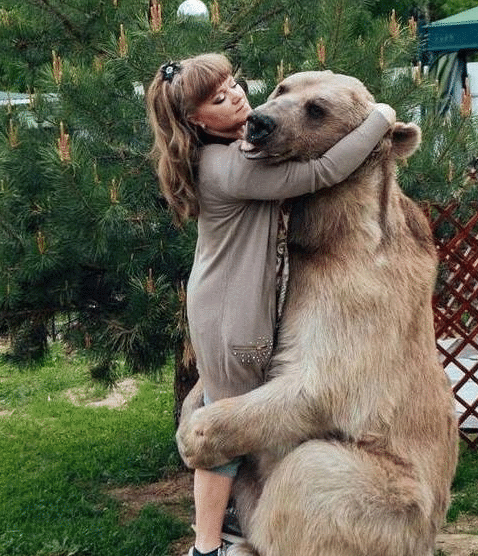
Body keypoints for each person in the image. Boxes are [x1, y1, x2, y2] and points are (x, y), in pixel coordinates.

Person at [145, 53, 395, 556]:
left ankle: (231, 524)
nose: (237, 96)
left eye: (234, 85)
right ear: (196, 120)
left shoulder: (230, 151)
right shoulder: (229, 167)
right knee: (224, 430)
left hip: (223, 298)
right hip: (232, 311)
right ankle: (208, 545)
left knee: (229, 412)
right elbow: (323, 170)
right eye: (218, 99)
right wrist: (381, 119)